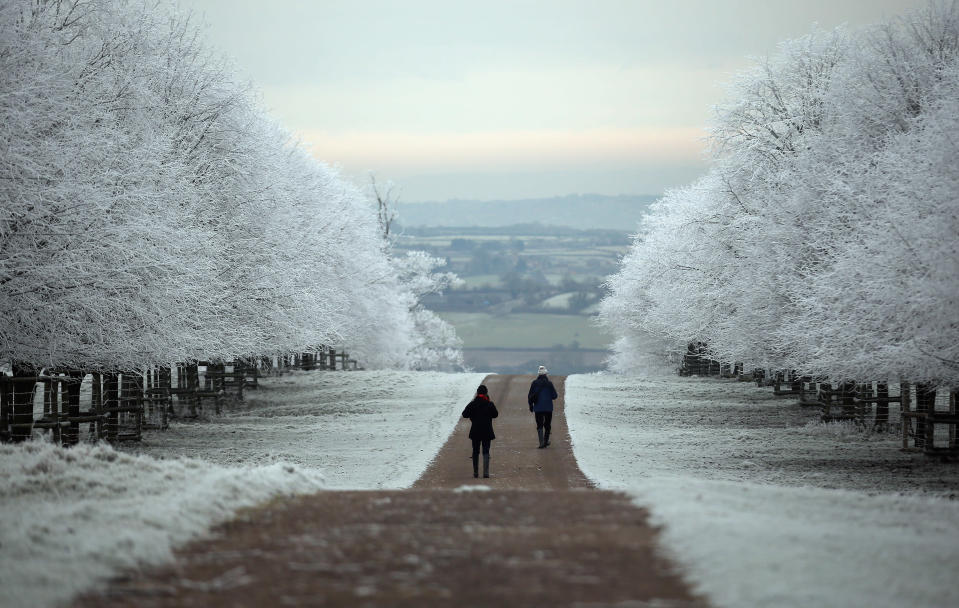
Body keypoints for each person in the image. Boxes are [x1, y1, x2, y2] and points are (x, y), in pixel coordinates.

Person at [462, 384, 498, 478]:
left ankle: (475, 473)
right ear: (486, 393)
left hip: (475, 431)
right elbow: (495, 414)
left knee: (475, 451)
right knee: (486, 451)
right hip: (487, 431)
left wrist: (473, 415)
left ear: (477, 393)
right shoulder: (489, 404)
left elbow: (464, 414)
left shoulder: (473, 403)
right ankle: (486, 473)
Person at [528, 365, 558, 448]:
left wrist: (530, 405)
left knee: (539, 425)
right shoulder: (549, 384)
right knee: (547, 425)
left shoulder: (534, 383)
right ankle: (545, 441)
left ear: (538, 374)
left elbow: (530, 395)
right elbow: (555, 396)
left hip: (538, 408)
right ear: (546, 374)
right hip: (548, 408)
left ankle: (541, 442)